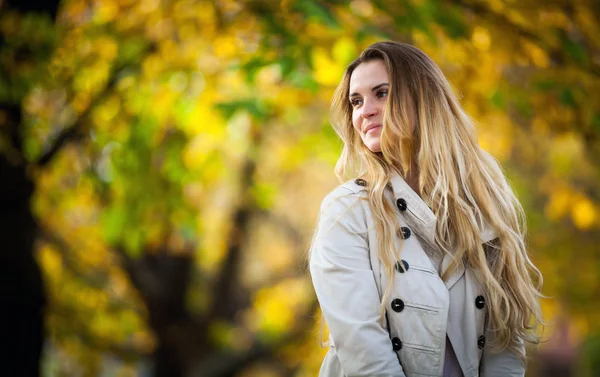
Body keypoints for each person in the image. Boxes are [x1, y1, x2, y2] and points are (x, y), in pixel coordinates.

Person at [308, 41, 543, 377]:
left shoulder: (483, 205)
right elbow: (363, 348)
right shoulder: (347, 211)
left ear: (424, 99)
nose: (365, 111)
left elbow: (504, 341)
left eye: (382, 93)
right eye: (356, 101)